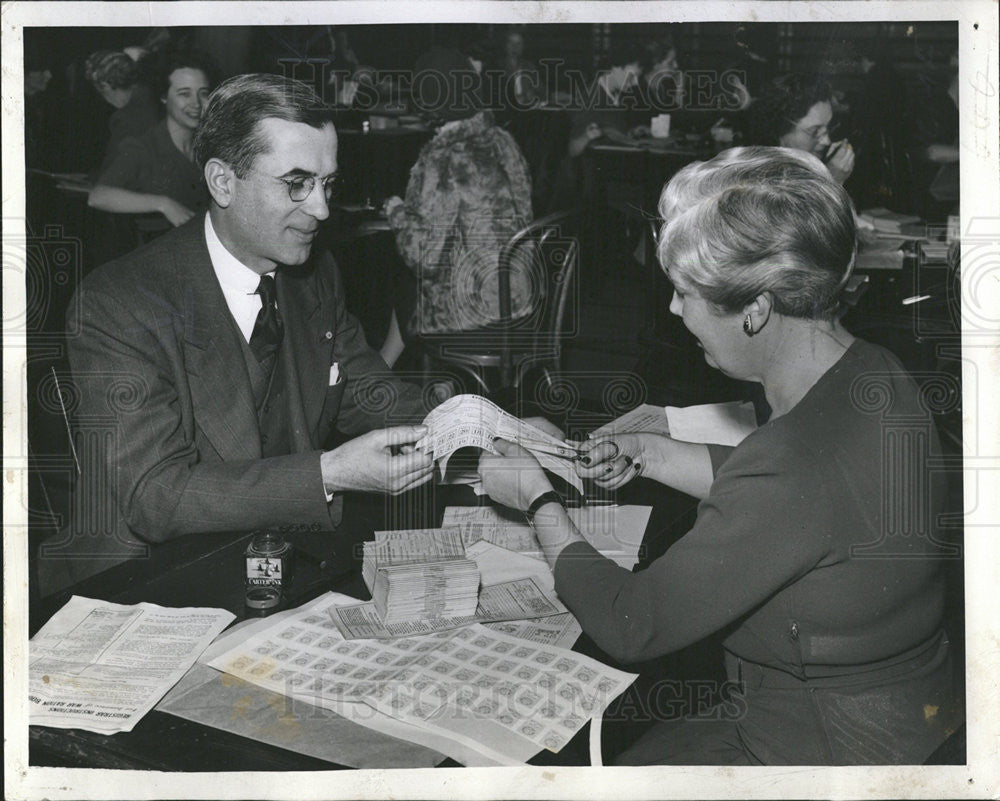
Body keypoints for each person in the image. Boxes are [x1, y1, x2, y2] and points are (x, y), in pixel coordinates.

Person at [477, 146, 962, 765]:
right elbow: (812, 505)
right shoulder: (877, 372)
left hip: (819, 748)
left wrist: (537, 496)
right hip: (912, 715)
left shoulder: (787, 465)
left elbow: (633, 623)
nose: (675, 310)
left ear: (756, 311)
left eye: (686, 292)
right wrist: (650, 453)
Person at [41, 74, 436, 595]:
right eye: (296, 183)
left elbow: (365, 390)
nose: (320, 208)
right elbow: (155, 498)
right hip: (147, 582)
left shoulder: (313, 272)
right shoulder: (119, 303)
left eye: (328, 183)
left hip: (278, 557)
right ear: (222, 182)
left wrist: (481, 431)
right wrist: (329, 473)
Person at [381, 47, 533, 362]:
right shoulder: (504, 140)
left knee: (403, 281)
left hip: (474, 314)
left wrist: (396, 211)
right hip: (520, 300)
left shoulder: (443, 156)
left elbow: (424, 256)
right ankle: (414, 375)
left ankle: (386, 371)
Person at [88, 51, 218, 227]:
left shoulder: (211, 146)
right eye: (184, 94)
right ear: (164, 97)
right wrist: (163, 204)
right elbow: (98, 196)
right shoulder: (143, 147)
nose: (196, 103)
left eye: (203, 93)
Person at [742, 73, 855, 184]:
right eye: (815, 131)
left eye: (829, 127)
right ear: (780, 129)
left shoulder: (802, 168)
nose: (827, 141)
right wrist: (832, 181)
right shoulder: (761, 179)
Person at [84, 49, 161, 175]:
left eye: (100, 92)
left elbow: (112, 172)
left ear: (105, 86)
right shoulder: (153, 99)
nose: (104, 99)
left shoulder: (126, 118)